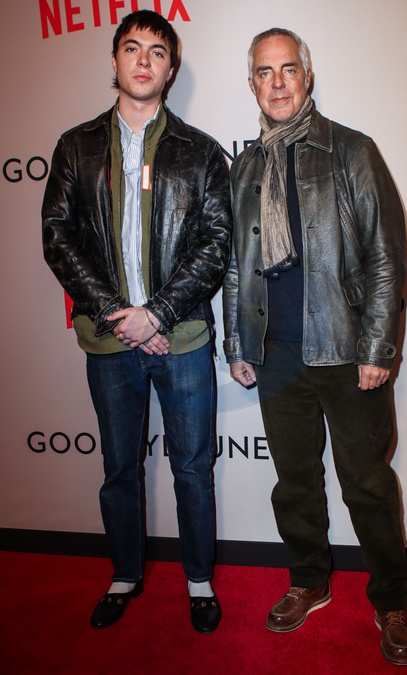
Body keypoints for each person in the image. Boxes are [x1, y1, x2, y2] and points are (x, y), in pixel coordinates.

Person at [223, 27, 407, 665]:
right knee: (295, 484)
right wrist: (239, 341)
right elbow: (237, 267)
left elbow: (386, 258)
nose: (276, 82)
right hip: (276, 353)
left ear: (307, 77)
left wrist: (377, 349)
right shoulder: (246, 166)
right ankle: (309, 581)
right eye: (264, 72)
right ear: (252, 84)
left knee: (367, 485)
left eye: (288, 69)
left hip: (346, 347)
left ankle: (391, 601)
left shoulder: (351, 150)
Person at [42, 10, 231, 633]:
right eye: (132, 48)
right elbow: (58, 237)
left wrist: (157, 314)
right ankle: (124, 574)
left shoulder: (201, 152)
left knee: (192, 469)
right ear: (114, 60)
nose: (144, 60)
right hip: (109, 341)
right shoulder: (74, 146)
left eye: (157, 51)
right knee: (119, 468)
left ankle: (199, 580)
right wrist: (113, 314)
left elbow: (215, 244)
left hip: (182, 339)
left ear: (170, 69)